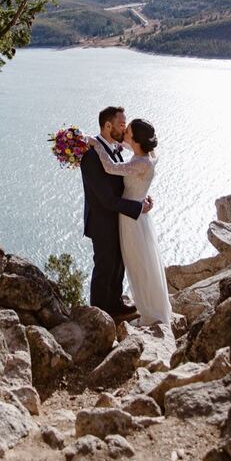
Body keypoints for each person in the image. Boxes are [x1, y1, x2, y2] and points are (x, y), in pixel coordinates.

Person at [86, 117, 172, 327]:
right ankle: (144, 305)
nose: (124, 132)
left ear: (135, 139)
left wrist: (95, 143)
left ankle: (150, 311)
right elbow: (123, 146)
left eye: (128, 131)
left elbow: (110, 167)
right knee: (138, 261)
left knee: (137, 264)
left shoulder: (139, 162)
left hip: (132, 219)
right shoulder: (147, 155)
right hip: (137, 215)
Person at [80, 106, 153, 321]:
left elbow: (125, 183)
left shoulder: (115, 149)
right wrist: (137, 208)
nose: (125, 128)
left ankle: (115, 303)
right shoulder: (92, 156)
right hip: (102, 220)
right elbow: (106, 199)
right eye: (122, 124)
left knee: (119, 262)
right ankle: (99, 315)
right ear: (108, 125)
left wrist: (141, 197)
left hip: (118, 218)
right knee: (105, 265)